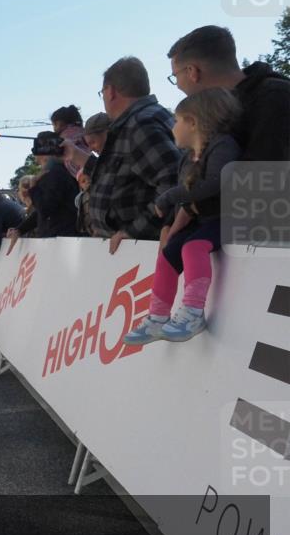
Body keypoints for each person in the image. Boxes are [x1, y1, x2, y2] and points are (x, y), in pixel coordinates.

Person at [124, 88, 242, 344]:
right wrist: (173, 226)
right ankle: (157, 317)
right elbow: (188, 202)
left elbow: (214, 183)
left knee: (193, 247)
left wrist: (170, 196)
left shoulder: (223, 145)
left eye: (177, 121)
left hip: (228, 217)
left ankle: (192, 312)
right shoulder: (186, 159)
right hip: (203, 220)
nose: (173, 127)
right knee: (168, 254)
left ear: (193, 122)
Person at [62, 57, 181, 254]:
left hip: (140, 251)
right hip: (133, 248)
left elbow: (173, 182)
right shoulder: (148, 118)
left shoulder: (139, 125)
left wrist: (135, 230)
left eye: (102, 93)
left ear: (110, 92)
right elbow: (119, 173)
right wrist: (78, 156)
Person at [167, 25, 290, 164]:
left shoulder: (274, 98)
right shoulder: (267, 96)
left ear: (192, 71)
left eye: (175, 76)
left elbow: (263, 178)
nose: (177, 85)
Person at [7, 132, 79, 252]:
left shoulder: (54, 174)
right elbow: (42, 211)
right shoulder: (58, 171)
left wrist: (34, 188)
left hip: (59, 242)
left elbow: (44, 209)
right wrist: (20, 229)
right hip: (59, 239)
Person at [50, 105, 89, 178]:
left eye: (54, 124)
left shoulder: (64, 135)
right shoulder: (81, 131)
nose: (54, 128)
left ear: (62, 123)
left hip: (76, 167)